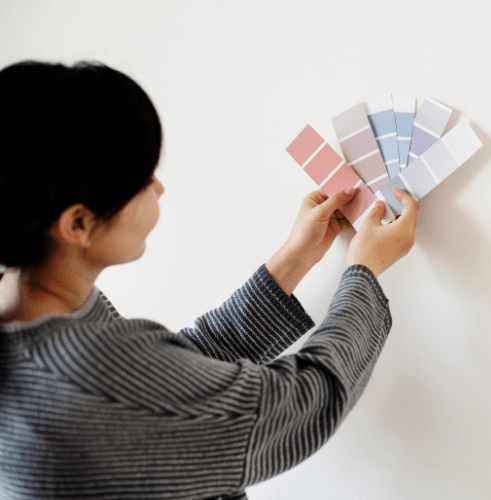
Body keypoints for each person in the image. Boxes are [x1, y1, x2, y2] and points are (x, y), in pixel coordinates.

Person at [0, 60, 419, 500]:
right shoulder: (80, 374)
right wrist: (363, 272)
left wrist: (292, 260)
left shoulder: (28, 306)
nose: (159, 188)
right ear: (78, 224)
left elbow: (176, 379)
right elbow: (300, 406)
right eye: (142, 179)